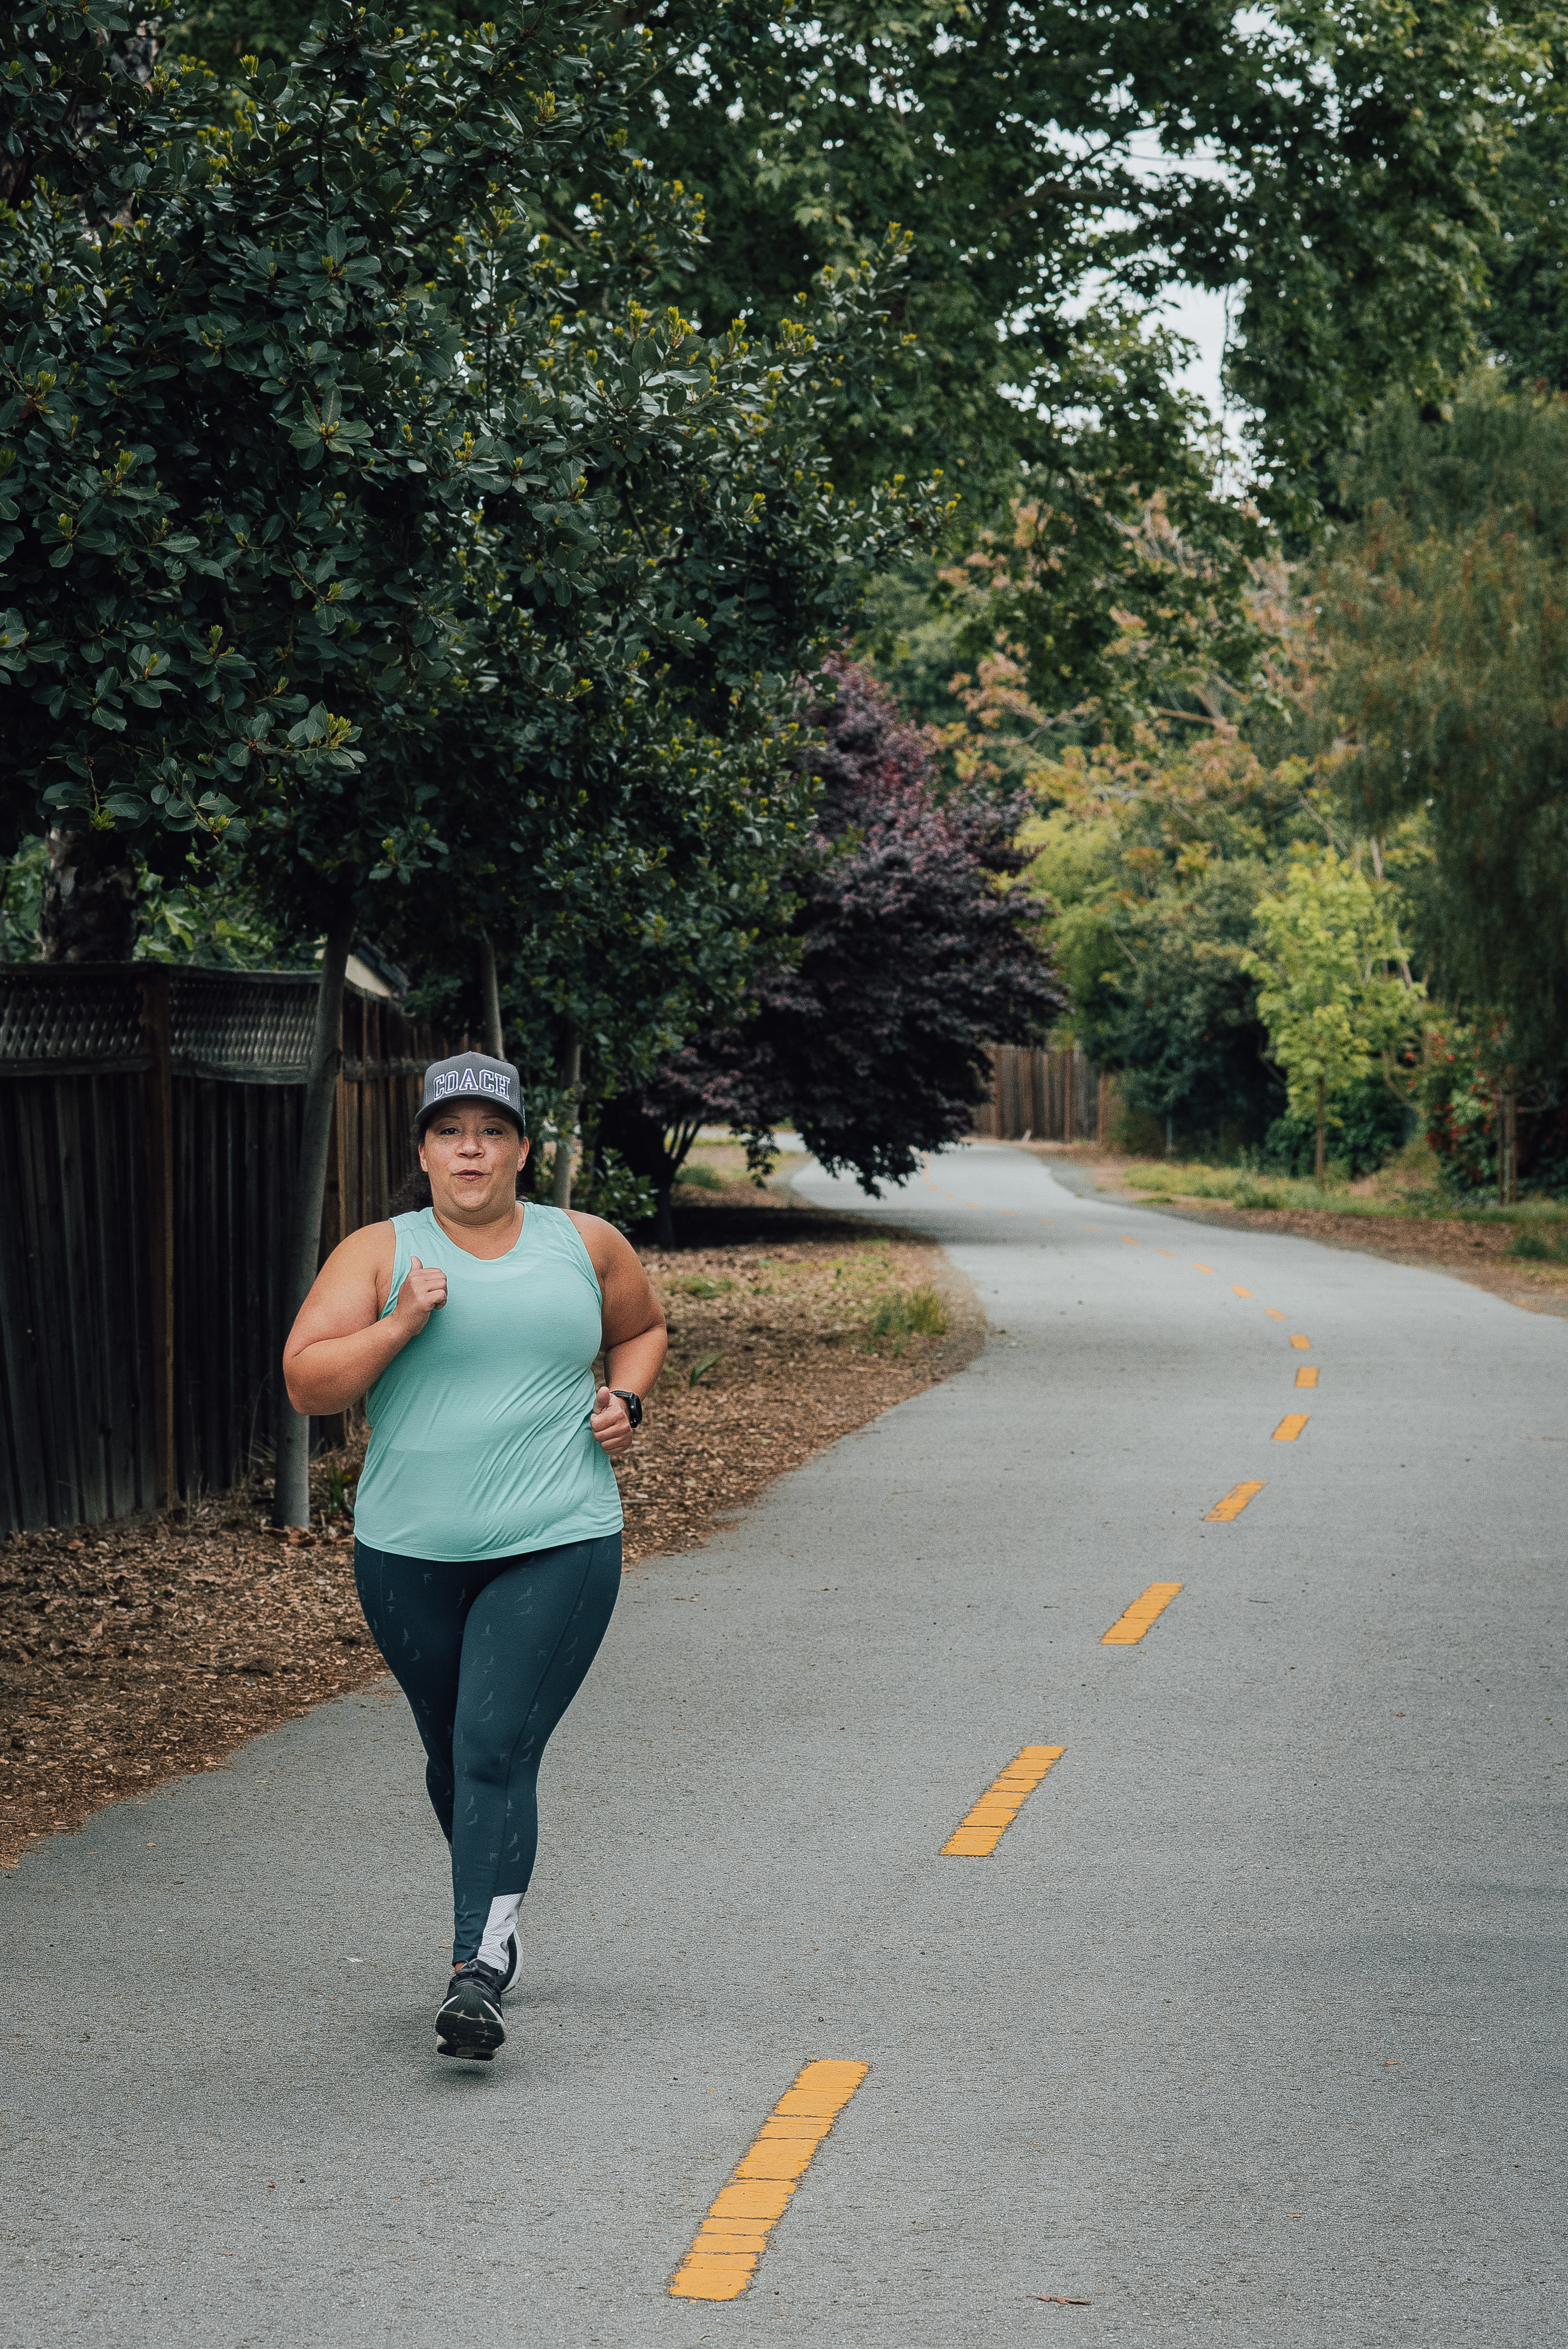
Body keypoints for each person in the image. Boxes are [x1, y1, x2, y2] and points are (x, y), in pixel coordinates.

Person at [283, 1051, 667, 2062]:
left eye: (491, 1131)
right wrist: (403, 1319)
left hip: (559, 1534)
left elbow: (644, 1328)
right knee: (453, 1750)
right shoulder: (378, 1251)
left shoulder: (583, 1243)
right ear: (422, 1149)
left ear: (523, 1150)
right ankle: (493, 1912)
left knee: (493, 1741)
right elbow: (308, 1381)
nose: (471, 1148)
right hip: (405, 1551)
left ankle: (475, 1969)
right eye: (451, 1131)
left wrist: (626, 1398)